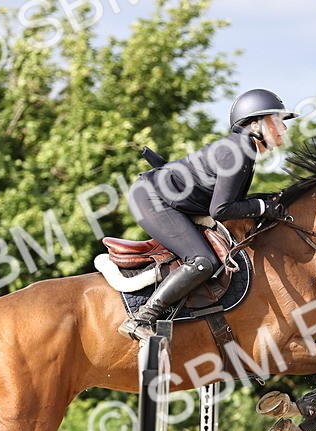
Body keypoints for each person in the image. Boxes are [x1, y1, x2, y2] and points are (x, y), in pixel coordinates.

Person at [117, 88, 297, 340]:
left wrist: (265, 203)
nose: (284, 128)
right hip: (151, 198)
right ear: (255, 125)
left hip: (163, 198)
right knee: (202, 261)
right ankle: (142, 318)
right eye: (277, 120)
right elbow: (220, 210)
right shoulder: (239, 150)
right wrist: (262, 207)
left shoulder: (241, 148)